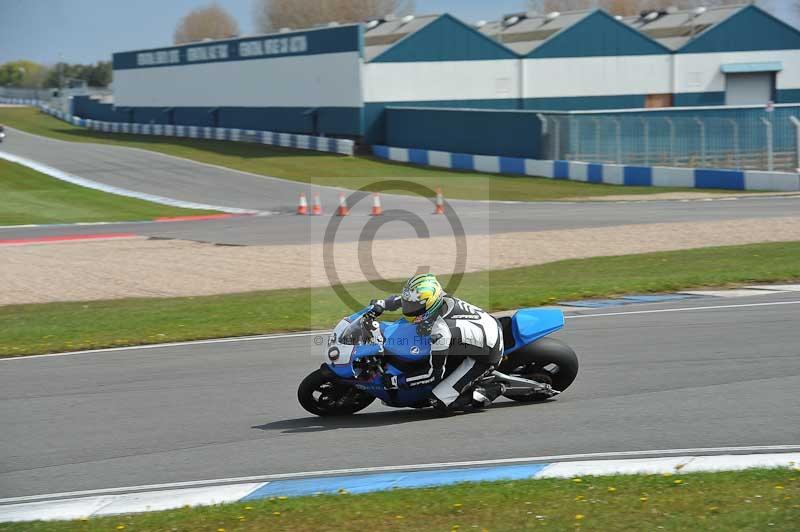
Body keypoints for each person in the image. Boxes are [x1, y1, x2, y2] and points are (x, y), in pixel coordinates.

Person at [370, 273, 505, 412]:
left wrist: (396, 382)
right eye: (408, 304)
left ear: (429, 305)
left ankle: (493, 388)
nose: (408, 308)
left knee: (439, 401)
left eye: (412, 306)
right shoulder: (436, 296)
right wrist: (384, 304)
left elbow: (433, 375)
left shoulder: (440, 332)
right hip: (478, 331)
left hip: (488, 353)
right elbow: (409, 299)